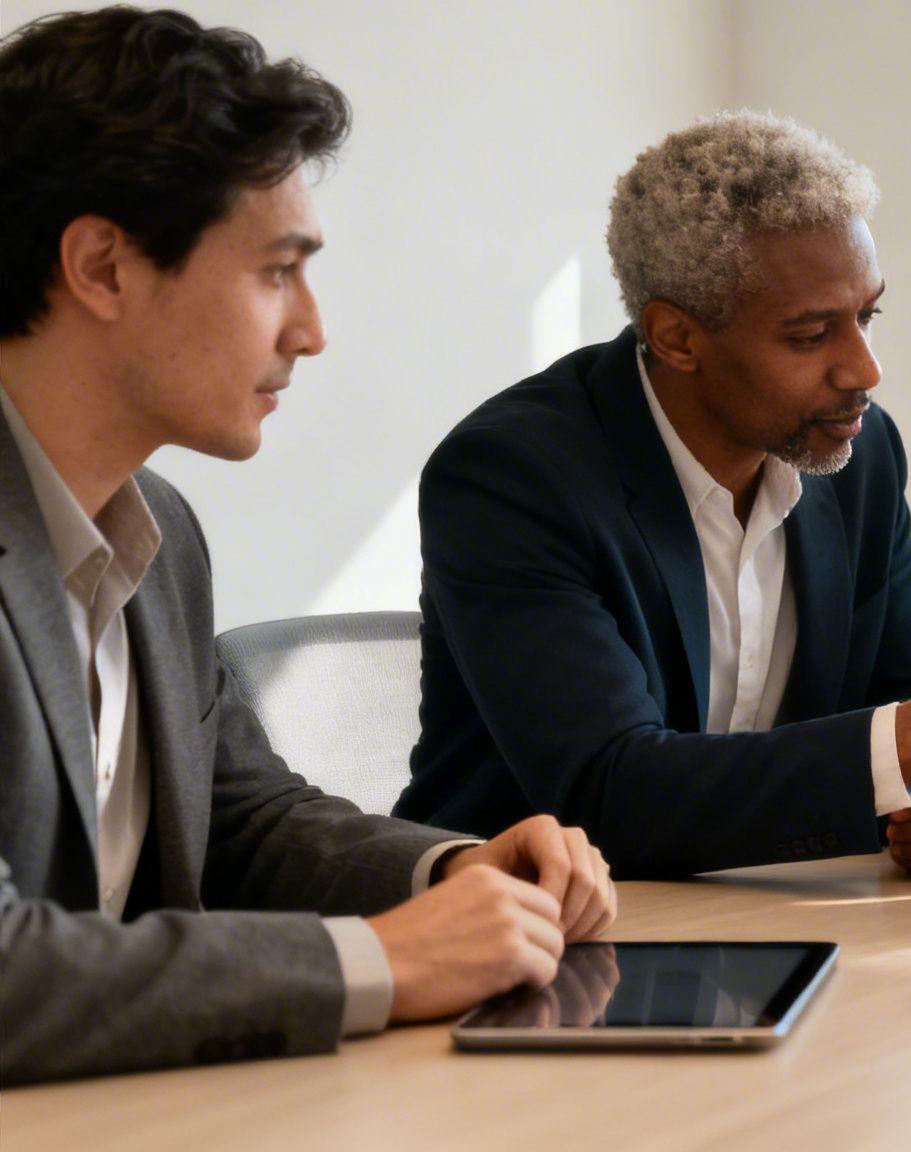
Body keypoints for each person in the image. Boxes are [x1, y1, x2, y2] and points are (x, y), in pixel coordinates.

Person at [0, 7, 616, 1087]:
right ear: (101, 266)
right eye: (276, 270)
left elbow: (242, 818)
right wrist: (377, 961)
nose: (311, 329)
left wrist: (452, 872)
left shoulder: (158, 530)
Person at [397, 111, 911, 879]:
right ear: (676, 337)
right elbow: (609, 793)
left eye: (868, 316)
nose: (864, 370)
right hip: (524, 934)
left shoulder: (860, 456)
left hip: (768, 912)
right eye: (811, 335)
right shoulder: (512, 476)